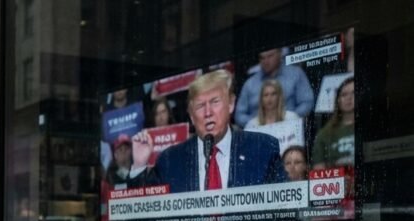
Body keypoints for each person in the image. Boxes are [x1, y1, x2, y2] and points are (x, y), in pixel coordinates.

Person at [129, 69, 287, 192]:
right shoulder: (170, 160)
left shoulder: (263, 148)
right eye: (199, 106)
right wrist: (139, 165)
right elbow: (145, 216)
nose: (208, 112)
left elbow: (284, 209)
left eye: (215, 102)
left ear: (231, 104)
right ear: (191, 116)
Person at [235, 48, 314, 128]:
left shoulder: (295, 74)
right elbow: (239, 115)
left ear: (280, 53)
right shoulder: (250, 83)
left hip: (289, 129)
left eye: (270, 56)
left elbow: (307, 102)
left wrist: (287, 119)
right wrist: (259, 123)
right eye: (262, 58)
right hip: (258, 132)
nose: (266, 61)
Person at [312, 77, 355, 169]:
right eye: (344, 94)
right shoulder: (324, 134)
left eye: (354, 93)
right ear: (338, 100)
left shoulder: (370, 128)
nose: (349, 98)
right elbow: (319, 170)